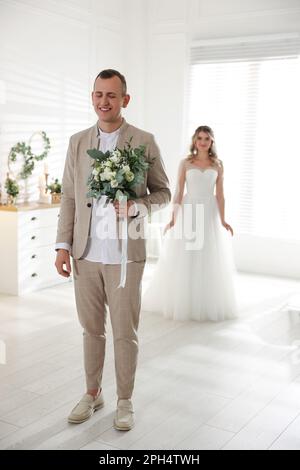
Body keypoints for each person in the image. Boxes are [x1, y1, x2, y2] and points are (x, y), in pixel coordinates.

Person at [55, 69, 171, 431]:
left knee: (124, 331)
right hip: (85, 254)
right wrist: (62, 246)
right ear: (92, 97)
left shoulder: (144, 141)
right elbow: (70, 198)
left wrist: (138, 206)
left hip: (125, 256)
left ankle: (124, 400)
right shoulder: (77, 142)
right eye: (98, 94)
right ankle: (92, 393)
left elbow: (164, 193)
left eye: (111, 95)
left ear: (125, 100)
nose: (104, 101)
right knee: (91, 330)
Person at [142, 125, 237, 322]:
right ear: (195, 140)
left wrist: (223, 219)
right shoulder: (186, 163)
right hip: (189, 209)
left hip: (208, 211)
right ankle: (184, 300)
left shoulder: (218, 164)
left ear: (212, 142)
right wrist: (173, 218)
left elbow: (220, 195)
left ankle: (204, 302)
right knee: (186, 255)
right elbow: (178, 192)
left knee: (208, 255)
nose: (203, 142)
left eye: (207, 139)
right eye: (200, 138)